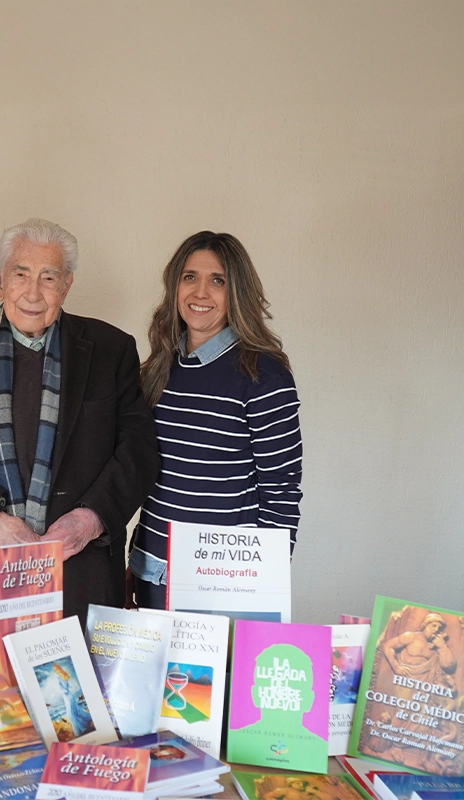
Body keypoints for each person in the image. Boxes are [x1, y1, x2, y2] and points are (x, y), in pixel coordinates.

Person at [0, 218, 158, 619]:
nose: (33, 292)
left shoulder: (110, 351)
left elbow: (138, 451)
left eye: (49, 278)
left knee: (79, 664)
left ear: (66, 285)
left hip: (80, 569)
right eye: (21, 274)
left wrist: (90, 519)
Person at [128, 231, 302, 609]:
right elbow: (152, 478)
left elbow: (282, 494)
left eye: (218, 281)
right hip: (150, 570)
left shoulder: (263, 376)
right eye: (189, 277)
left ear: (237, 292)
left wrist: (264, 589)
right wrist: (132, 561)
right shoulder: (159, 367)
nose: (200, 292)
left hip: (221, 584)